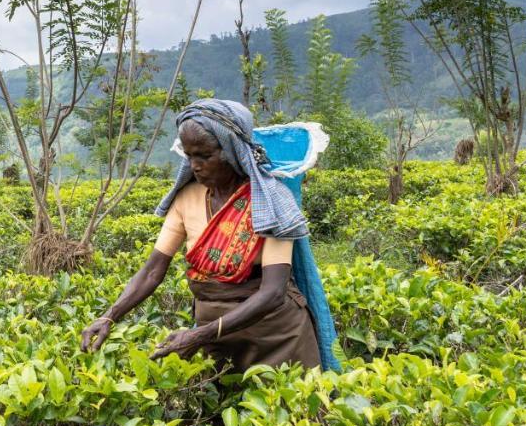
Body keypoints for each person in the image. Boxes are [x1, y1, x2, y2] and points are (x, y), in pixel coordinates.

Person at [81, 99, 338, 373]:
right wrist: (109, 317)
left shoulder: (270, 201)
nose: (195, 165)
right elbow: (152, 271)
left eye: (204, 156)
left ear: (231, 151)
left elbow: (273, 292)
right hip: (212, 339)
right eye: (190, 156)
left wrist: (199, 335)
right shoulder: (186, 199)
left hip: (276, 337)